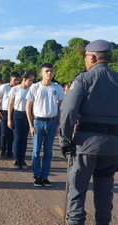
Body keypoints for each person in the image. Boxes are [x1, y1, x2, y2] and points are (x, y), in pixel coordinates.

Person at [60, 40, 118, 225]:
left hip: (85, 146)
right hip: (112, 148)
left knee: (77, 192)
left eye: (86, 57)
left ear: (92, 58)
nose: (86, 60)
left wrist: (65, 140)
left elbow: (68, 111)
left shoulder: (83, 79)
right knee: (104, 193)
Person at [26, 63, 65, 187]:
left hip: (52, 122)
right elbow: (28, 106)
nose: (49, 73)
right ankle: (36, 175)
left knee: (48, 151)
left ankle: (45, 176)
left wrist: (59, 123)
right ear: (41, 73)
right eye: (47, 71)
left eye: (51, 71)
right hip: (38, 122)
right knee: (36, 151)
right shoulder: (35, 87)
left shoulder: (57, 88)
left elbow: (61, 107)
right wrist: (31, 125)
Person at [8, 71, 34, 169]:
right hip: (17, 115)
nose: (31, 82)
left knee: (24, 139)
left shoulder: (31, 90)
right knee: (17, 137)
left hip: (27, 116)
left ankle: (22, 160)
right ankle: (16, 159)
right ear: (24, 79)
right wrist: (9, 119)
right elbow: (10, 104)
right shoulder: (15, 89)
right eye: (30, 80)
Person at [0, 72, 19, 158]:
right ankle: (3, 150)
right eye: (14, 80)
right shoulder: (4, 87)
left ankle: (10, 151)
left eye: (17, 80)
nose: (16, 82)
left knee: (12, 133)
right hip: (4, 111)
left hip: (14, 112)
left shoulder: (18, 88)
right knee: (4, 133)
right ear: (10, 79)